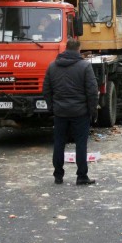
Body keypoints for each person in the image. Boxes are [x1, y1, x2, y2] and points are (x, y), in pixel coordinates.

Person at [43, 38, 99, 185]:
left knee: (59, 143)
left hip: (60, 112)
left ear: (65, 48)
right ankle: (81, 176)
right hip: (80, 113)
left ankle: (58, 175)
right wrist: (93, 111)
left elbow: (46, 90)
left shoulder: (52, 66)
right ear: (78, 49)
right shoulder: (85, 66)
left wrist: (52, 108)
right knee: (81, 144)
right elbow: (92, 91)